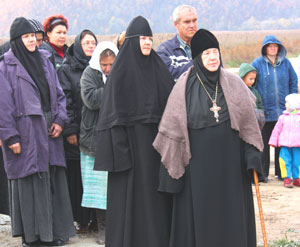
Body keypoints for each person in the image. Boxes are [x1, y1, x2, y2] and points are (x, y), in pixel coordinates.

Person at [153, 29, 264, 247]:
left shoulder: (233, 84)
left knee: (231, 217)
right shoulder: (183, 87)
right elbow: (172, 131)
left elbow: (249, 126)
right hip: (198, 171)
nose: (213, 57)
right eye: (206, 53)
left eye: (215, 52)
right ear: (197, 57)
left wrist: (252, 157)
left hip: (231, 169)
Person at [93, 16, 174, 247]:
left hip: (156, 148)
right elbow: (111, 117)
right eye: (142, 38)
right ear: (131, 40)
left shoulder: (159, 69)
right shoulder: (119, 73)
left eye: (150, 38)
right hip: (130, 149)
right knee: (133, 199)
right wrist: (121, 151)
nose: (147, 42)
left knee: (156, 199)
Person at [0, 17, 75, 247]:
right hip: (25, 132)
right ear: (17, 40)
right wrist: (10, 136)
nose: (32, 40)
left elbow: (59, 95)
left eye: (34, 36)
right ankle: (32, 237)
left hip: (49, 129)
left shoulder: (45, 61)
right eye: (26, 36)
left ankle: (53, 234)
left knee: (51, 181)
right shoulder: (5, 66)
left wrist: (60, 121)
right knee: (29, 183)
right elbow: (3, 105)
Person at [57, 29, 97, 234]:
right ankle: (81, 220)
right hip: (76, 132)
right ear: (79, 45)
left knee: (94, 176)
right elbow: (65, 100)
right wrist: (70, 130)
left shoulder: (99, 66)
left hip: (95, 134)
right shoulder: (67, 68)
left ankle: (96, 220)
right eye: (86, 43)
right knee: (77, 179)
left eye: (93, 43)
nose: (90, 46)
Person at [80, 41, 118, 245]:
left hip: (115, 138)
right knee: (97, 189)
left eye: (112, 64)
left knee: (113, 186)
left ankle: (115, 227)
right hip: (93, 139)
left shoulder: (122, 72)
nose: (108, 68)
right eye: (104, 64)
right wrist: (114, 89)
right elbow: (91, 99)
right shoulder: (89, 73)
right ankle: (102, 228)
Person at [252, 35, 298, 182]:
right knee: (264, 144)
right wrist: (257, 103)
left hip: (284, 112)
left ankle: (282, 174)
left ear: (279, 47)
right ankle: (263, 173)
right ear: (265, 48)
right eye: (270, 46)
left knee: (282, 144)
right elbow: (250, 81)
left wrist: (292, 100)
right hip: (265, 111)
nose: (273, 48)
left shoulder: (286, 63)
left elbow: (293, 81)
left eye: (275, 46)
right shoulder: (258, 63)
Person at [156, 4, 197, 80]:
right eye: (187, 22)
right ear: (176, 24)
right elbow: (166, 77)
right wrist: (199, 63)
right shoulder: (164, 50)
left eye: (194, 20)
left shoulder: (207, 48)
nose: (192, 25)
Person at [269, 93, 300, 188]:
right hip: (285, 144)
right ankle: (286, 178)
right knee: (285, 161)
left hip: (297, 145)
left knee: (297, 162)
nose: (285, 104)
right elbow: (276, 130)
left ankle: (296, 178)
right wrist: (273, 141)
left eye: (288, 103)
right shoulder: (282, 117)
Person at [239, 63, 265, 130]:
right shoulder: (238, 91)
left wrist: (260, 114)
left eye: (254, 79)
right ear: (243, 77)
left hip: (256, 122)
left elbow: (260, 104)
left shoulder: (255, 91)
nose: (253, 81)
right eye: (250, 79)